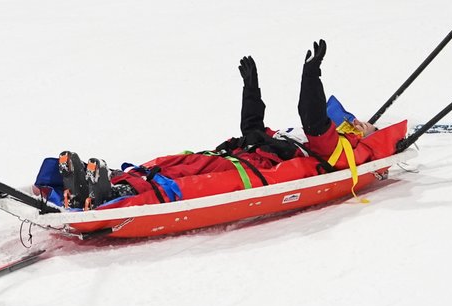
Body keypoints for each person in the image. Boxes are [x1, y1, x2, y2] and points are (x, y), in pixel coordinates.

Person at [51, 43, 405, 211]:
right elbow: (253, 129)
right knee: (170, 165)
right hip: (239, 158)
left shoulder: (339, 152)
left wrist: (311, 77)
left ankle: (117, 198)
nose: (355, 122)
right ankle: (101, 183)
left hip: (256, 176)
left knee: (187, 187)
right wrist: (251, 90)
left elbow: (312, 117)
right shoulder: (292, 139)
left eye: (359, 125)